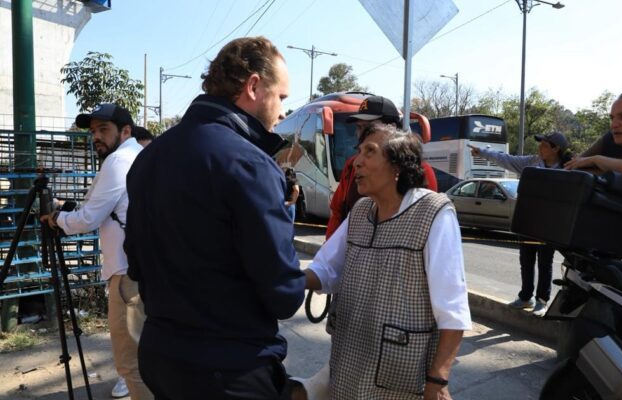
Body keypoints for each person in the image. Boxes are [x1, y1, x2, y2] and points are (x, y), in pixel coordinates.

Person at [124, 36, 306, 399]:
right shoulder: (250, 164)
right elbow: (285, 296)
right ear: (254, 86)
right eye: (282, 97)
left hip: (161, 356)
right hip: (230, 370)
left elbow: (137, 265)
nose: (284, 111)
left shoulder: (148, 159)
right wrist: (283, 213)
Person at [302, 124, 471, 400]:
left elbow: (452, 307)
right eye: (359, 152)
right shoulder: (360, 211)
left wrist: (438, 380)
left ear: (398, 166)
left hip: (400, 376)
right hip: (349, 365)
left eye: (370, 152)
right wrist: (282, 278)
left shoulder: (433, 213)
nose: (357, 161)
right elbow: (327, 268)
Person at [41, 103, 152, 400]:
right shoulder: (138, 157)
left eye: (104, 130)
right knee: (147, 356)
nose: (96, 137)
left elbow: (89, 218)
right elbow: (97, 206)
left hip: (127, 273)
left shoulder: (118, 161)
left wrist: (56, 219)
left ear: (125, 130)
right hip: (143, 269)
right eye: (93, 132)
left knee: (130, 364)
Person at [469, 131, 572, 317]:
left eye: (544, 145)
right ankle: (526, 297)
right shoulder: (531, 162)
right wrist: (482, 152)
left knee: (545, 263)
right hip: (527, 220)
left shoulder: (568, 169)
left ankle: (542, 301)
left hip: (550, 225)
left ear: (556, 149)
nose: (539, 148)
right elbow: (506, 159)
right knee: (526, 261)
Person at [325, 95, 438, 239]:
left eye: (368, 127)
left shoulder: (422, 170)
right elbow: (338, 211)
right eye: (359, 128)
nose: (361, 134)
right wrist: (330, 249)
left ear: (391, 128)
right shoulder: (351, 166)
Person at [566, 89, 622, 265]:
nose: (614, 124)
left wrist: (599, 161)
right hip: (607, 248)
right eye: (612, 118)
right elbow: (574, 170)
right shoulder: (609, 140)